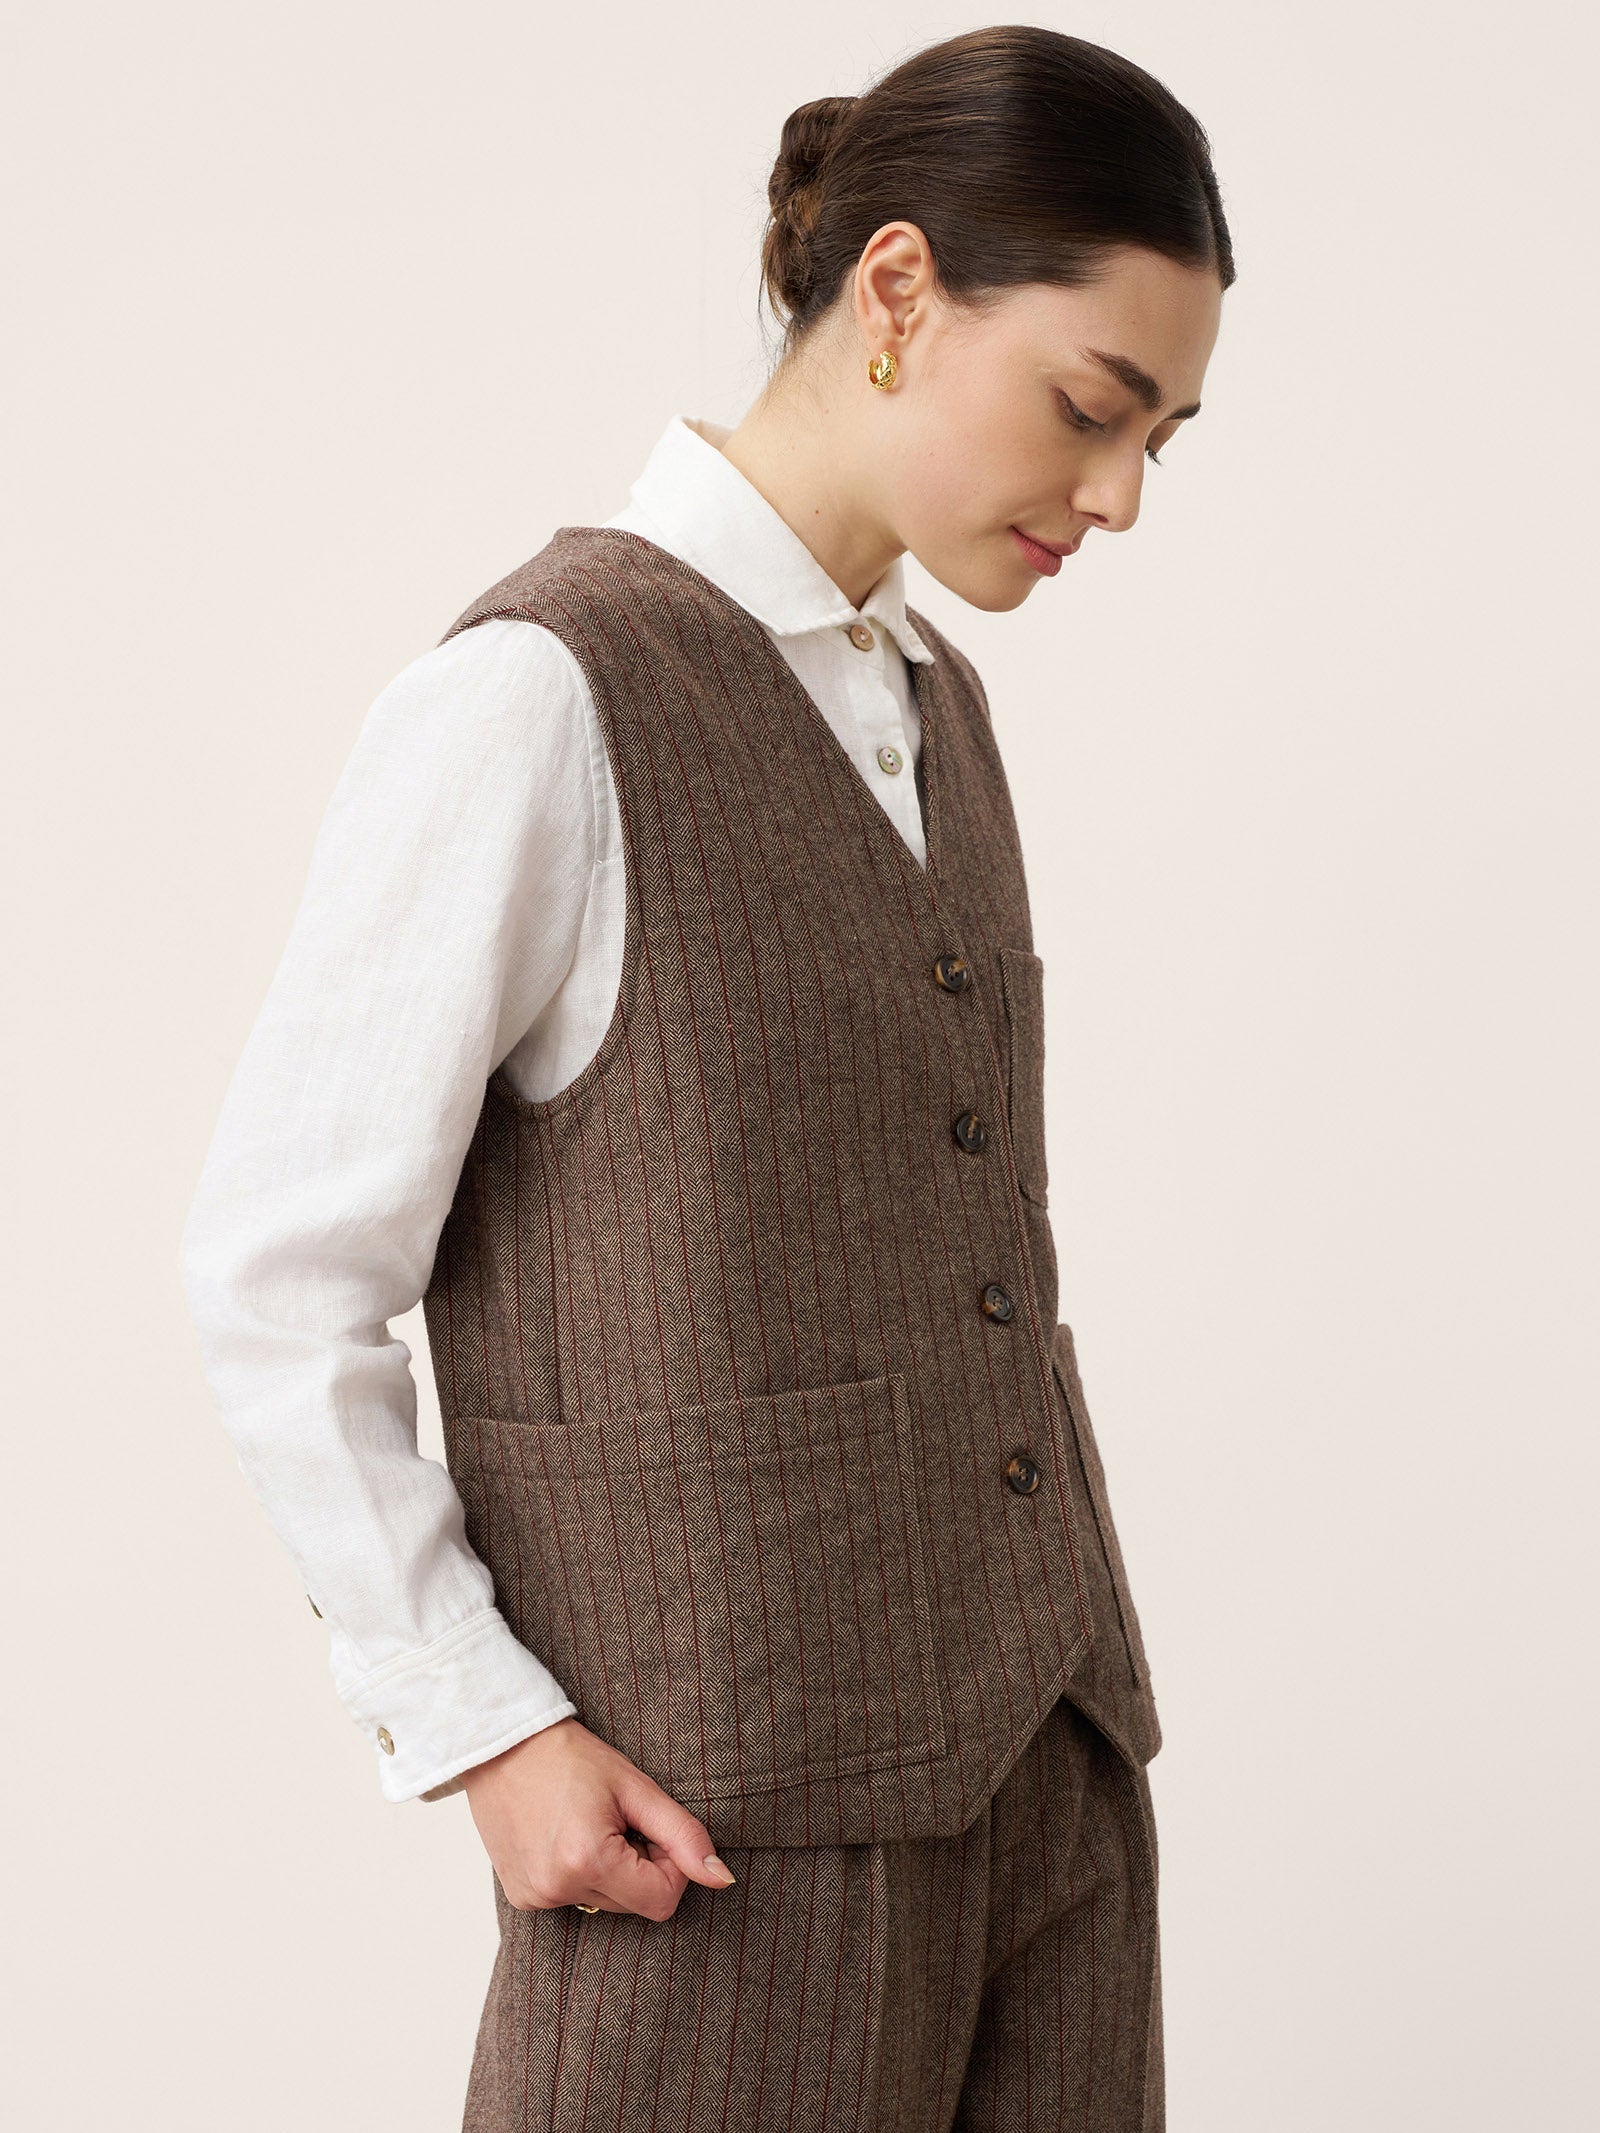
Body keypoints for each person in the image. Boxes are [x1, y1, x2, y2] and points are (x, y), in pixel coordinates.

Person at [182, 23, 1231, 2129]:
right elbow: (277, 1274)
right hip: (716, 1838)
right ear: (898, 287)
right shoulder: (536, 697)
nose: (1120, 494)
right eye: (1090, 407)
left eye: (1164, 440)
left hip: (1052, 1791)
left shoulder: (937, 709)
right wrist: (481, 1724)